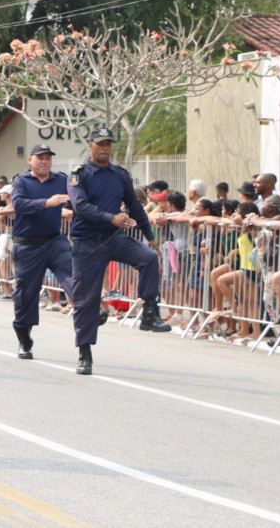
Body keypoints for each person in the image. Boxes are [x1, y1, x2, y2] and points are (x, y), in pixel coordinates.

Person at [67, 127, 170, 376]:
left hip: (113, 237)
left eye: (109, 144)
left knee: (147, 258)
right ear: (90, 145)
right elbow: (80, 206)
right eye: (100, 143)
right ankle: (85, 351)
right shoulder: (79, 174)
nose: (105, 148)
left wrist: (149, 235)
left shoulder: (120, 174)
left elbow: (134, 205)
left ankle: (148, 313)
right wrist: (110, 217)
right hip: (88, 242)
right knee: (87, 301)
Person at [9, 143, 75, 360]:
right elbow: (19, 205)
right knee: (26, 295)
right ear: (30, 160)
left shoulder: (61, 180)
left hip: (54, 241)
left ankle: (90, 309)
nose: (44, 161)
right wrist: (48, 203)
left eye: (48, 157)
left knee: (73, 274)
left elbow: (77, 200)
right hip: (27, 245)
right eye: (40, 157)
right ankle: (24, 338)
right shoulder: (21, 181)